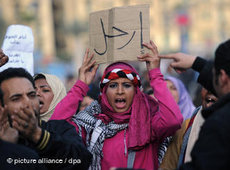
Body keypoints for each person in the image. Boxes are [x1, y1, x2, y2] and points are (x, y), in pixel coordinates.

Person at [51, 41, 183, 170]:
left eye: (127, 85)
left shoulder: (149, 121)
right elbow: (55, 128)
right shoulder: (90, 124)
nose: (120, 91)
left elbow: (173, 120)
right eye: (113, 85)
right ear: (104, 92)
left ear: (137, 92)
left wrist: (155, 74)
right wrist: (80, 85)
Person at [0, 67, 92, 170]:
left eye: (31, 95)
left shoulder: (60, 129)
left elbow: (82, 161)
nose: (28, 103)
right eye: (16, 98)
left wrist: (38, 136)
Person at [159, 39, 230, 169]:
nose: (210, 91)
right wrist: (195, 63)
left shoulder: (219, 125)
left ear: (223, 77)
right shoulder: (186, 127)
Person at [159, 88, 217, 170]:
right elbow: (168, 166)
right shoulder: (186, 126)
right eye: (206, 86)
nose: (210, 91)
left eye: (215, 85)